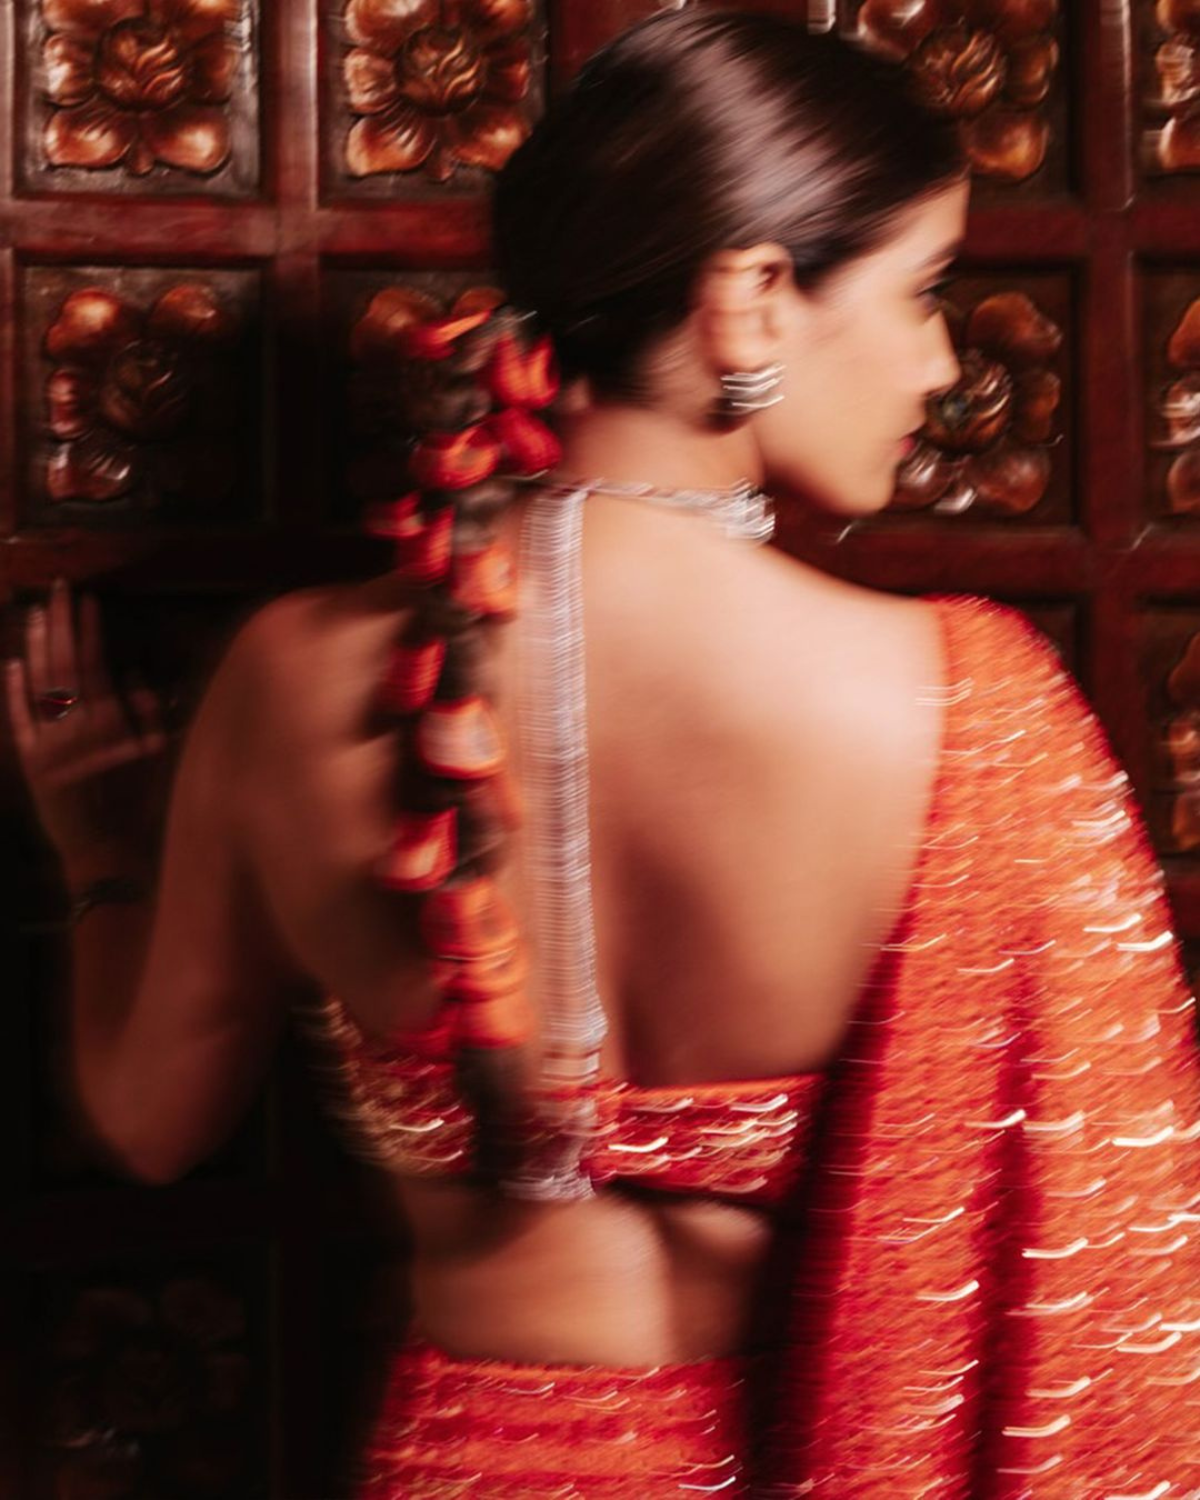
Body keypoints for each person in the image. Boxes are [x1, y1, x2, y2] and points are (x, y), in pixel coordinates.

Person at [9, 9, 1200, 1496]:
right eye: (921, 294)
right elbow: (1098, 1284)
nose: (941, 365)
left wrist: (102, 858)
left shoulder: (281, 679)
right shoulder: (961, 708)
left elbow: (149, 1122)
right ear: (750, 300)